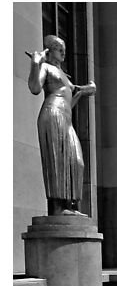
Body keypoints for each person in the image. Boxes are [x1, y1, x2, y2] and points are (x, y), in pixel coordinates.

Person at [28, 35, 96, 216]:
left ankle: (71, 206)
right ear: (50, 51)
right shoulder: (46, 67)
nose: (64, 52)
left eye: (64, 49)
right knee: (58, 160)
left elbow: (69, 102)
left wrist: (82, 93)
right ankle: (60, 208)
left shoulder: (64, 76)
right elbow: (35, 88)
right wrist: (35, 64)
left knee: (77, 162)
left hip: (66, 118)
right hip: (52, 114)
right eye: (60, 49)